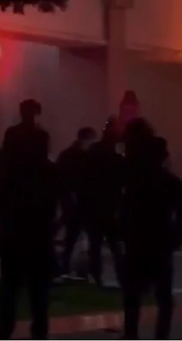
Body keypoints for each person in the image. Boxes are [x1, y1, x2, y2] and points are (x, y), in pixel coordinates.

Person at [0, 99, 60, 339]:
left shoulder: (8, 169)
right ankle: (39, 331)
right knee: (39, 290)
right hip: (40, 232)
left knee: (10, 286)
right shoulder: (46, 170)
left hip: (13, 229)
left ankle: (5, 328)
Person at [120, 132, 182, 340]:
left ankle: (131, 334)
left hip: (138, 242)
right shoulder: (172, 182)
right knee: (163, 296)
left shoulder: (135, 181)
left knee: (133, 294)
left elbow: (124, 211)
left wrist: (125, 235)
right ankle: (161, 335)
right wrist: (176, 238)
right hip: (161, 243)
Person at [84, 116, 125, 286]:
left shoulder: (93, 153)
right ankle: (121, 276)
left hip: (94, 206)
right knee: (115, 246)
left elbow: (85, 178)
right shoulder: (117, 159)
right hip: (111, 207)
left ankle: (96, 275)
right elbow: (123, 183)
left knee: (95, 245)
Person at [56, 127, 98, 279]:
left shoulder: (66, 155)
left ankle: (65, 267)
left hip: (70, 201)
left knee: (71, 237)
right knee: (84, 237)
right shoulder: (84, 157)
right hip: (81, 203)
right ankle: (87, 270)